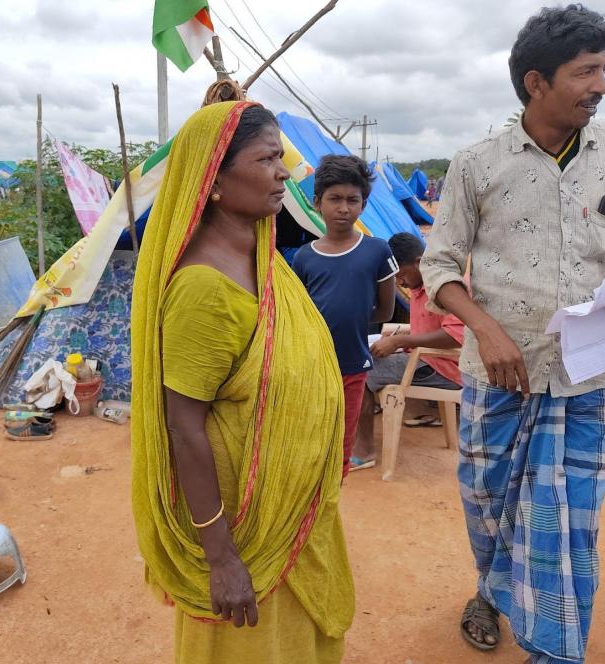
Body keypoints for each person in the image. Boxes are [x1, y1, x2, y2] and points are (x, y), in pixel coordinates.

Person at [421, 6, 605, 663]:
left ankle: (551, 648)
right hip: (499, 380)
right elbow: (439, 264)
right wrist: (485, 329)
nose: (601, 85)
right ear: (534, 82)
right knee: (487, 508)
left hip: (590, 379)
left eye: (604, 69)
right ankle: (491, 591)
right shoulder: (475, 165)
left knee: (566, 526)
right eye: (585, 72)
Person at [131, 101, 355, 663]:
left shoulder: (265, 260)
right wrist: (222, 557)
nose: (284, 171)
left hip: (291, 506)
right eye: (267, 159)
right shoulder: (203, 289)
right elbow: (182, 425)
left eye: (282, 157)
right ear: (214, 182)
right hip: (243, 524)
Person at [292, 155, 398, 476]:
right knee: (311, 439)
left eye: (353, 200)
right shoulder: (304, 257)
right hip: (311, 366)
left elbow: (385, 309)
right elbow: (300, 314)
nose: (343, 208)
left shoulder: (377, 250)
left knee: (341, 447)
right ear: (316, 202)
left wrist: (349, 321)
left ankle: (330, 501)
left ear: (363, 204)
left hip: (353, 365)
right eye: (334, 199)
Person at [352, 232, 464, 457]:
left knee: (359, 368)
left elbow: (454, 336)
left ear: (419, 262)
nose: (399, 282)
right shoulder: (420, 284)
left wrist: (400, 340)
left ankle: (364, 451)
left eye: (400, 275)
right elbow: (428, 328)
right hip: (427, 360)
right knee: (365, 357)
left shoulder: (444, 286)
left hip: (443, 368)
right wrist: (395, 337)